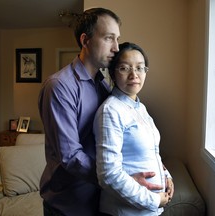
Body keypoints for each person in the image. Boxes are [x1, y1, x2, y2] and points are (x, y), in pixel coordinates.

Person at [38, 8, 167, 216]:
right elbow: (70, 156)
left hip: (101, 199)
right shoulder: (60, 86)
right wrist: (118, 177)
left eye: (117, 39)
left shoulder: (103, 86)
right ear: (85, 40)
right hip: (69, 203)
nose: (116, 48)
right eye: (109, 38)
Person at [93, 42, 174, 216]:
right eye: (124, 68)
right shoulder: (111, 111)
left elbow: (152, 151)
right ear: (113, 74)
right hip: (124, 212)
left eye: (140, 68)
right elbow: (108, 175)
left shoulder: (139, 107)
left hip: (149, 210)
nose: (134, 75)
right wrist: (154, 200)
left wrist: (166, 176)